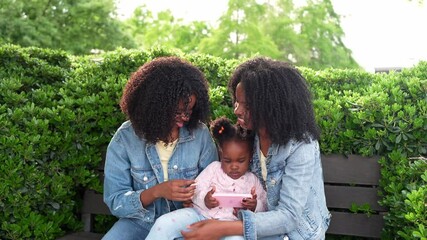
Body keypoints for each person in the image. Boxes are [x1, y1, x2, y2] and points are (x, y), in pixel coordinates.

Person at [182, 57, 331, 240]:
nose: (237, 110)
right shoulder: (249, 137)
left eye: (247, 105)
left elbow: (289, 216)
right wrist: (200, 202)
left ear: (272, 106)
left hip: (297, 235)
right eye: (237, 102)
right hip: (254, 232)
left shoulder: (301, 145)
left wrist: (223, 228)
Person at [102, 56, 219, 240]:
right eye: (177, 112)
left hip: (184, 222)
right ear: (155, 107)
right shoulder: (125, 138)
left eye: (188, 112)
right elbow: (115, 201)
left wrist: (198, 201)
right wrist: (157, 191)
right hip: (138, 222)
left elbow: (215, 184)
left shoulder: (200, 135)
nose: (185, 118)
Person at [146, 117, 267, 240]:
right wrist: (205, 199)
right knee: (164, 223)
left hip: (230, 226)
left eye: (241, 161)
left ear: (250, 157)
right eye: (227, 160)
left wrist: (254, 206)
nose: (234, 166)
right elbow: (195, 189)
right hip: (200, 215)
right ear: (221, 155)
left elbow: (265, 205)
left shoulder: (253, 180)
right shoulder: (214, 169)